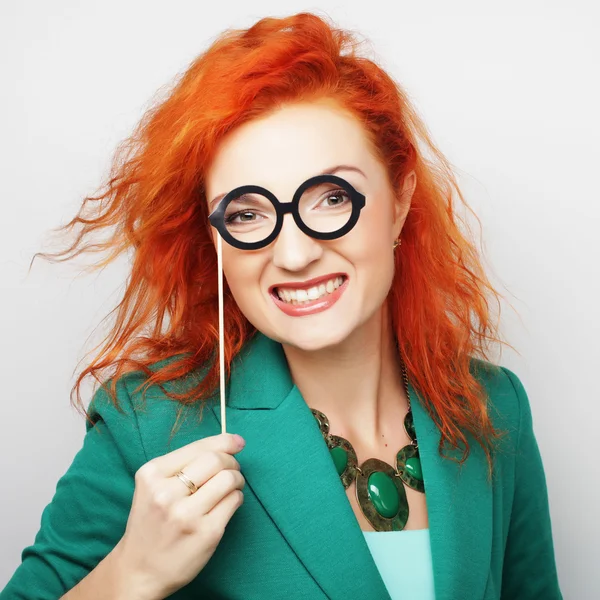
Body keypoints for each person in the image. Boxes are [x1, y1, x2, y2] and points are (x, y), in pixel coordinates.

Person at [1, 11, 562, 600]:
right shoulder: (149, 425)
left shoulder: (496, 410)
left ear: (399, 201)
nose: (293, 254)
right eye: (246, 213)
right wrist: (130, 575)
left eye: (331, 197)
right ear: (214, 238)